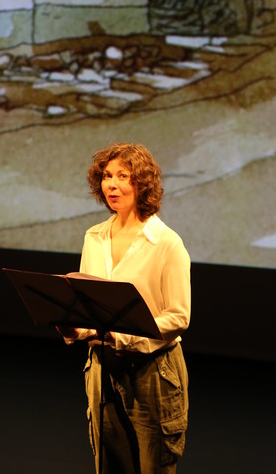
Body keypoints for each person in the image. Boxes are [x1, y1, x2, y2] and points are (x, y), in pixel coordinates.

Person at [57, 142, 191, 474]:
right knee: (110, 465)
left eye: (122, 176)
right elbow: (88, 307)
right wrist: (74, 328)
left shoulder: (166, 243)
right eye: (106, 176)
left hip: (152, 371)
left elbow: (179, 316)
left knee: (154, 467)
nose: (112, 185)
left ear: (142, 183)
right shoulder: (94, 237)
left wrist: (124, 337)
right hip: (102, 367)